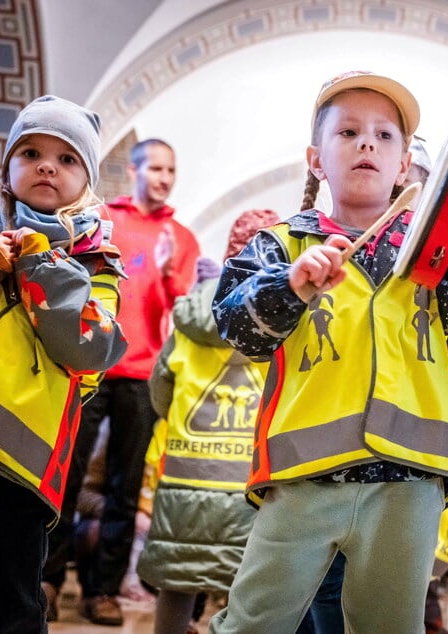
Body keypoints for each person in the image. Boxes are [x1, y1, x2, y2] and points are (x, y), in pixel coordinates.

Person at [208, 69, 448, 633]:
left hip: (410, 474)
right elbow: (236, 328)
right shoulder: (280, 244)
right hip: (303, 472)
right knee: (254, 623)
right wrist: (289, 284)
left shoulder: (436, 251)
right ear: (316, 158)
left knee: (389, 626)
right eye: (348, 132)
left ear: (404, 165)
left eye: (384, 135)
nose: (367, 142)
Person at [0, 95, 126, 632]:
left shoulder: (96, 266)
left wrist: (45, 266)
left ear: (87, 182)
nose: (47, 165)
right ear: (7, 167)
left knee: (14, 609)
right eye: (30, 152)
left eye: (68, 159)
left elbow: (91, 348)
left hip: (20, 468)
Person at [42, 137, 201, 625]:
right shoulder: (105, 219)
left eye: (171, 170)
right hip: (92, 362)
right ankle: (47, 579)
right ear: (134, 171)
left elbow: (182, 306)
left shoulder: (181, 236)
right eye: (155, 167)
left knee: (125, 485)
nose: (164, 178)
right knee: (64, 474)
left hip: (142, 371)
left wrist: (169, 268)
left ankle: (103, 590)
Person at [136, 209, 279, 634]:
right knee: (245, 586)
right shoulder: (278, 319)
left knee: (177, 580)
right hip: (248, 483)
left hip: (184, 474)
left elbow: (160, 388)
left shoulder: (189, 317)